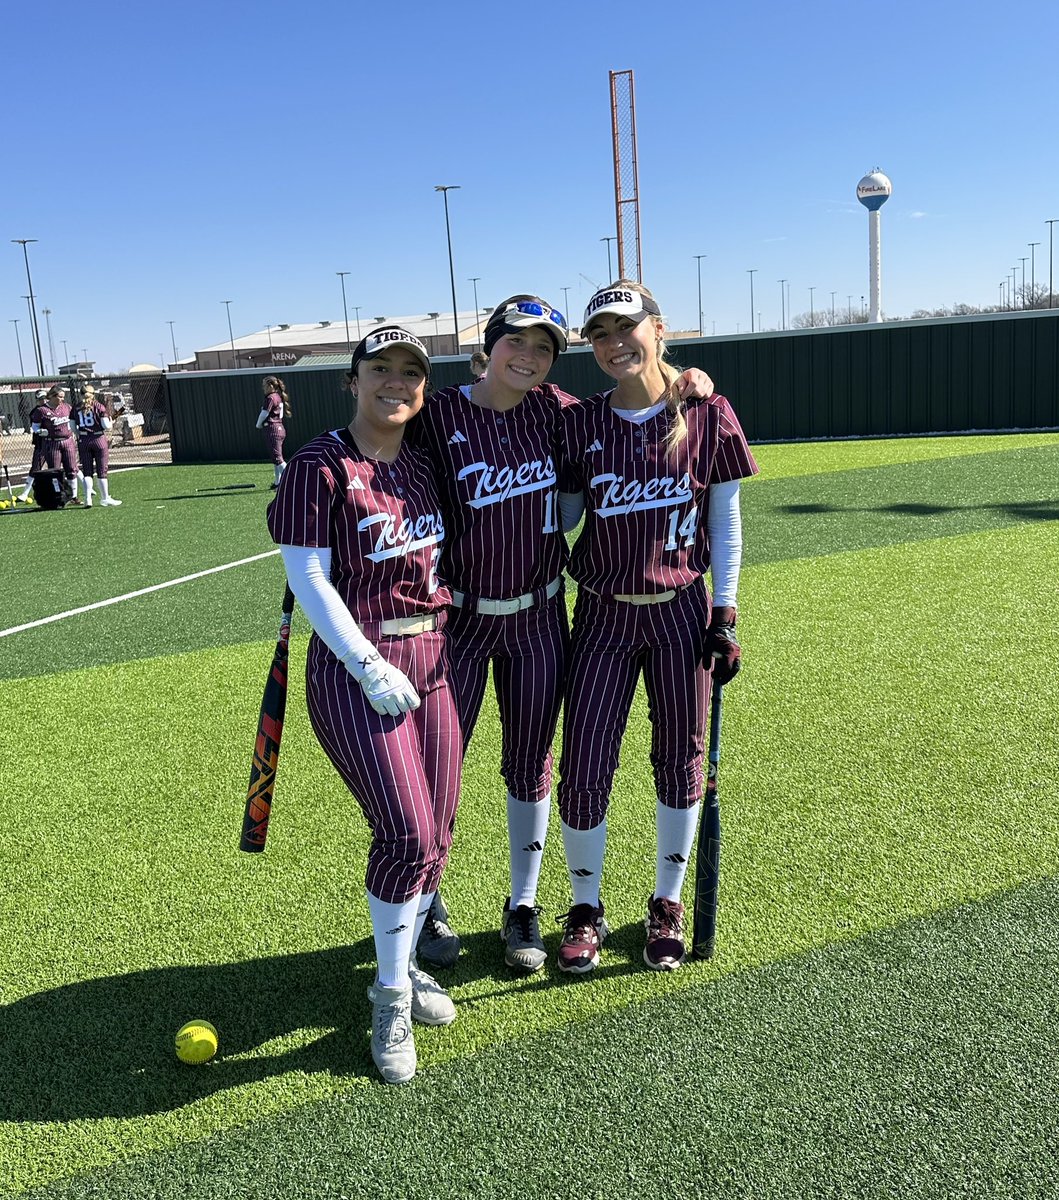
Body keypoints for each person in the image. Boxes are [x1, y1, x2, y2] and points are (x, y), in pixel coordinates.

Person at [413, 295, 714, 974]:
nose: (527, 356)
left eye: (543, 347)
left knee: (530, 765)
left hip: (541, 616)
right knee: (438, 769)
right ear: (485, 347)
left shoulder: (558, 411)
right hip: (459, 620)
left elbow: (649, 395)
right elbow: (378, 440)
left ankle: (523, 906)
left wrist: (692, 378)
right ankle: (428, 893)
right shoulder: (439, 412)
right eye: (514, 343)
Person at [267, 327, 461, 1085]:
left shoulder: (422, 460)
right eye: (380, 369)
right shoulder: (320, 462)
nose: (396, 382)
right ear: (352, 381)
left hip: (438, 655)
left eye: (410, 372)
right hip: (361, 664)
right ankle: (388, 996)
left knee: (438, 832)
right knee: (407, 833)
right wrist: (368, 663)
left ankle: (405, 962)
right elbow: (310, 578)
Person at [555, 281, 758, 975]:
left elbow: (723, 522)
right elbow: (563, 516)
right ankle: (585, 907)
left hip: (681, 611)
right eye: (600, 334)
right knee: (582, 767)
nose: (615, 343)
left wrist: (724, 612)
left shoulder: (709, 411)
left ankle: (665, 902)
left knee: (680, 762)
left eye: (626, 328)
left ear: (658, 328)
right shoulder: (580, 423)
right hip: (603, 612)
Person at [72, 384, 121, 506]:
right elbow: (106, 425)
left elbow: (72, 426)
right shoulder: (99, 406)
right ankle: (105, 498)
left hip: (84, 440)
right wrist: (111, 421)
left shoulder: (75, 408)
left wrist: (79, 434)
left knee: (87, 472)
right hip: (98, 438)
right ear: (93, 394)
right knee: (102, 470)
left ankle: (88, 499)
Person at [15, 389, 50, 504]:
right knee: (35, 468)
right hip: (41, 444)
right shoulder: (36, 412)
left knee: (69, 464)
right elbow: (36, 427)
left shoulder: (53, 408)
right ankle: (25, 493)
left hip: (56, 442)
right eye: (41, 399)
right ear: (37, 400)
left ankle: (85, 489)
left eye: (45, 398)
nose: (43, 401)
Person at [256, 376, 290, 489]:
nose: (263, 388)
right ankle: (277, 483)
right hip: (280, 428)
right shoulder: (278, 397)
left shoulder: (270, 397)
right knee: (276, 459)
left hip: (273, 429)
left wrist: (258, 424)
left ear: (271, 386)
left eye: (265, 386)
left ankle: (292, 480)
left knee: (278, 459)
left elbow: (264, 413)